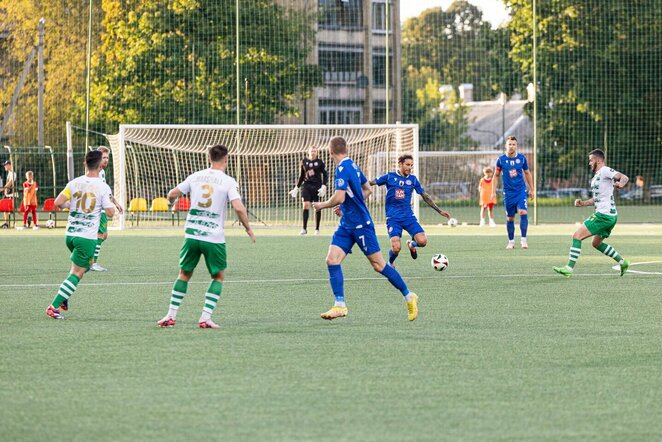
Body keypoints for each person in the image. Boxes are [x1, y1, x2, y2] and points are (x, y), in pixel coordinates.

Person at [313, 136, 419, 321]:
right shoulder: (352, 165)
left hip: (362, 225)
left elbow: (338, 198)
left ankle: (409, 296)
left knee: (379, 265)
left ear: (330, 151)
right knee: (332, 260)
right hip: (347, 224)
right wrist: (349, 205)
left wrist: (321, 205)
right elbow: (367, 190)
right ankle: (339, 305)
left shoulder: (342, 169)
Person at [157, 144, 255, 329]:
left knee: (184, 274)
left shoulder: (195, 176)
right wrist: (248, 228)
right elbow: (238, 207)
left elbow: (172, 193)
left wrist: (173, 201)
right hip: (213, 237)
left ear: (208, 158)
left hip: (192, 234)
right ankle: (205, 318)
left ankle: (170, 316)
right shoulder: (228, 181)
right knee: (217, 276)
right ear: (226, 159)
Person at [45, 150, 116, 319]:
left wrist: (73, 206)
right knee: (79, 272)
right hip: (86, 237)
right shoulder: (102, 186)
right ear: (100, 166)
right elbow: (110, 212)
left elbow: (58, 203)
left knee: (81, 268)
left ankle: (64, 297)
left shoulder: (74, 182)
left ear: (85, 163)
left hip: (70, 235)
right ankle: (53, 307)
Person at [553, 149, 630, 277]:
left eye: (591, 160)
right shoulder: (597, 176)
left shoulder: (605, 170)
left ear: (599, 160)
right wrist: (582, 203)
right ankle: (623, 262)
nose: (589, 163)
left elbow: (624, 177)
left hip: (603, 215)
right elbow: (597, 199)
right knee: (596, 243)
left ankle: (569, 269)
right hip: (610, 216)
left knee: (577, 236)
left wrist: (621, 184)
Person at [368, 154, 450, 267]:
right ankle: (391, 262)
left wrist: (439, 210)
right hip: (393, 218)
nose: (410, 167)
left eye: (411, 165)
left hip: (408, 217)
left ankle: (412, 244)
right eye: (407, 165)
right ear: (400, 164)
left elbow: (425, 196)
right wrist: (354, 184)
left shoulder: (413, 180)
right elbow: (370, 183)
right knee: (396, 248)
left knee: (422, 241)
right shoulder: (389, 177)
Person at [491, 136, 534, 249]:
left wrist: (532, 189)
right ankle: (511, 241)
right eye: (509, 144)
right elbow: (495, 176)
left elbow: (527, 173)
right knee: (510, 218)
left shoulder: (522, 159)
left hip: (520, 191)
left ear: (517, 146)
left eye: (513, 144)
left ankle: (523, 240)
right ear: (506, 146)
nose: (511, 146)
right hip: (508, 193)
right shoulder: (501, 160)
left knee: (523, 212)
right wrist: (493, 191)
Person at [90, 146, 124, 271]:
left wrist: (115, 202)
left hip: (101, 206)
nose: (106, 160)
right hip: (98, 207)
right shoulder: (95, 172)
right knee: (100, 234)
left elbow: (105, 190)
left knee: (103, 235)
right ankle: (92, 263)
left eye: (107, 157)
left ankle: (89, 261)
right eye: (103, 157)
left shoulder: (101, 172)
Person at [289, 146, 328, 235]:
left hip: (317, 187)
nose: (313, 152)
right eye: (312, 150)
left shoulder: (320, 162)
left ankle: (317, 229)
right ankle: (304, 229)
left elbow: (325, 174)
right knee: (306, 205)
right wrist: (296, 187)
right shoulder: (303, 162)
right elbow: (301, 176)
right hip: (306, 186)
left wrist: (323, 186)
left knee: (317, 206)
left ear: (317, 152)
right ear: (308, 152)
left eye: (315, 150)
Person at [2, 160, 16, 228]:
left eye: (6, 165)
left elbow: (10, 183)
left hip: (12, 194)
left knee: (14, 209)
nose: (5, 166)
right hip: (8, 194)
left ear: (10, 165)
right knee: (5, 208)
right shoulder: (9, 173)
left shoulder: (13, 173)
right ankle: (6, 223)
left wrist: (2, 189)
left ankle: (28, 217)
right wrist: (5, 190)